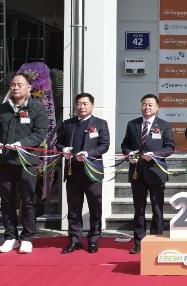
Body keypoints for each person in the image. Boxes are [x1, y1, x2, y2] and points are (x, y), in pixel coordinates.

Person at [0, 73, 48, 254]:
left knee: (28, 200)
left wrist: (22, 143)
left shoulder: (37, 107)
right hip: (5, 162)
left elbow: (40, 132)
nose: (15, 88)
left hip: (26, 162)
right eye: (13, 85)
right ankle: (10, 237)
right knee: (7, 201)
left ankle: (27, 237)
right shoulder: (3, 108)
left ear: (29, 87)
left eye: (19, 84)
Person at [56, 93, 110, 254]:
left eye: (85, 104)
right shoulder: (68, 124)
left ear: (92, 105)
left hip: (92, 171)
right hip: (73, 171)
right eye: (79, 103)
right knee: (73, 207)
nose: (82, 107)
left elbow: (104, 145)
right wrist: (64, 149)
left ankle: (93, 239)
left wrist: (89, 153)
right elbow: (58, 143)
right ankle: (75, 239)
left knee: (95, 206)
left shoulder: (100, 123)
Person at [121, 94, 175, 254]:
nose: (147, 107)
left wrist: (155, 155)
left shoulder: (164, 125)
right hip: (137, 172)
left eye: (150, 105)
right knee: (139, 208)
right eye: (144, 104)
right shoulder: (132, 124)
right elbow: (125, 145)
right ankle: (139, 242)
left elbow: (170, 147)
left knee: (157, 208)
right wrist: (130, 154)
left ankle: (156, 241)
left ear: (157, 107)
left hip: (156, 171)